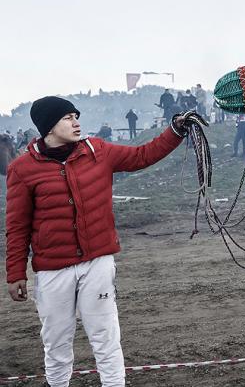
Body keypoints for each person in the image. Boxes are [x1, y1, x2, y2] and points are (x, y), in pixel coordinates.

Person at [5, 96, 187, 387]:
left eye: (76, 116)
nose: (76, 123)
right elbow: (17, 226)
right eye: (68, 118)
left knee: (106, 337)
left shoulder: (98, 151)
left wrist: (175, 131)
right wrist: (15, 273)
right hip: (52, 270)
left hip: (97, 263)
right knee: (56, 343)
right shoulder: (22, 169)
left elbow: (143, 155)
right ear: (48, 127)